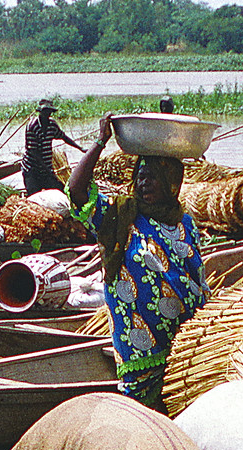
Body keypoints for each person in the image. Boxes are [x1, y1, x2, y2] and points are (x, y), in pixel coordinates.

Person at [66, 114, 208, 411]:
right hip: (140, 347)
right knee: (143, 418)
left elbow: (198, 279)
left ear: (172, 183)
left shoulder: (185, 224)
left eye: (152, 176)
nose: (143, 183)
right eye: (140, 176)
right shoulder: (120, 215)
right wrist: (99, 142)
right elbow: (77, 192)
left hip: (185, 344)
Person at [21, 98, 84, 196]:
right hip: (32, 169)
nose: (47, 114)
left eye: (49, 111)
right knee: (34, 197)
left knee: (59, 192)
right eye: (45, 111)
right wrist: (47, 169)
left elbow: (63, 137)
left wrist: (80, 148)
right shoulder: (32, 126)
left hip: (46, 169)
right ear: (40, 112)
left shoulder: (52, 125)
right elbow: (33, 151)